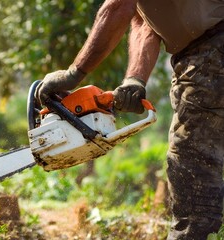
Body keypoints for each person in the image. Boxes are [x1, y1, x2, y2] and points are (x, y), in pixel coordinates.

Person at [35, 0, 224, 239]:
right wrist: (135, 80)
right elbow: (143, 20)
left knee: (192, 162)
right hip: (201, 52)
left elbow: (118, 6)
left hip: (212, 47)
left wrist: (74, 73)